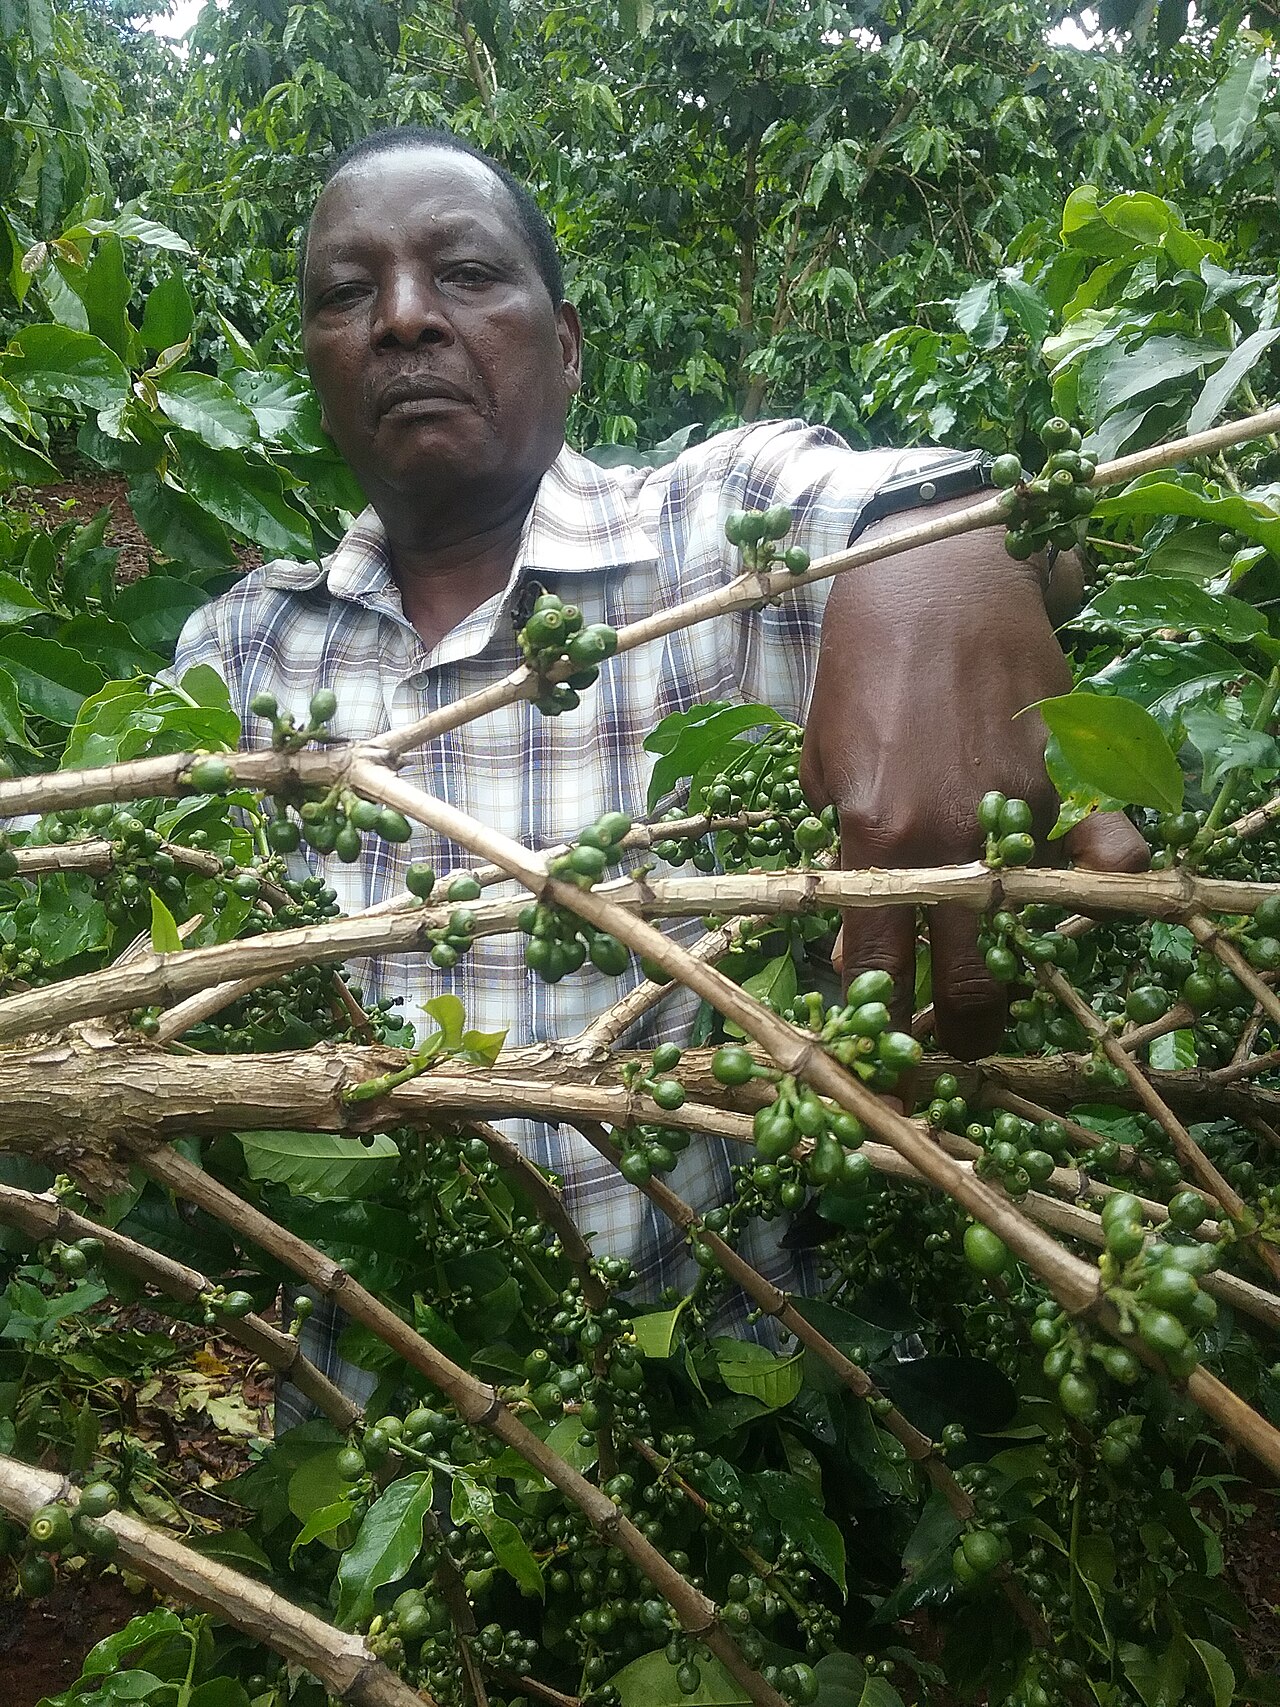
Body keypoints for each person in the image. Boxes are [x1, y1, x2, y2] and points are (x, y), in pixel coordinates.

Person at [173, 126, 1146, 1421]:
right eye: (346, 295)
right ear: (314, 361)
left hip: (715, 1389)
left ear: (565, 345)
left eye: (464, 274)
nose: (403, 319)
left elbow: (942, 509)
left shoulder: (700, 544)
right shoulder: (239, 652)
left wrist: (940, 558)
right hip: (373, 1400)